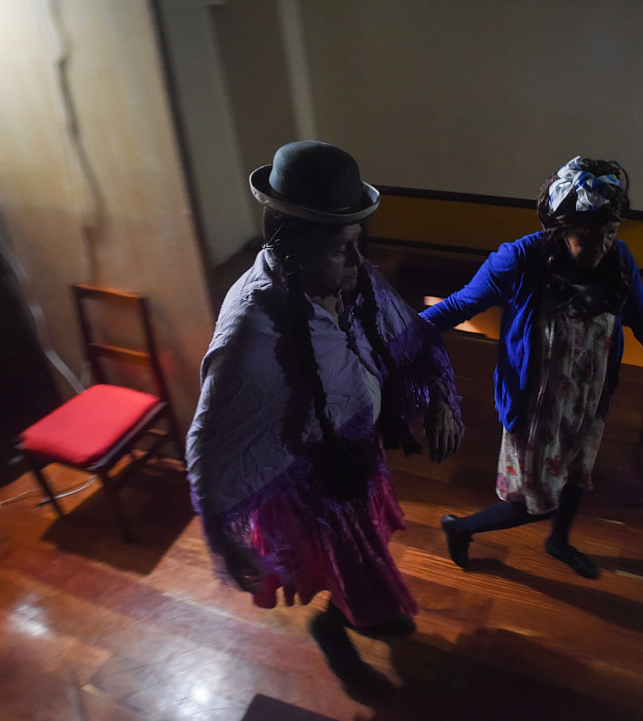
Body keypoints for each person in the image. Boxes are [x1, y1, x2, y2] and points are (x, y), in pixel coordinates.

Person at [187, 141, 462, 684]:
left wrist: (440, 398)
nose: (359, 263)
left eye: (358, 243)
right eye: (341, 249)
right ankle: (337, 627)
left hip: (356, 457)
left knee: (367, 549)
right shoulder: (251, 328)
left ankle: (355, 616)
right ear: (293, 248)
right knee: (355, 566)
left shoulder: (346, 278)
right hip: (314, 488)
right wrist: (225, 537)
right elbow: (210, 439)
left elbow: (407, 332)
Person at [423, 156, 643, 580]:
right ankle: (460, 527)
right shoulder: (521, 260)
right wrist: (397, 337)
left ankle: (559, 542)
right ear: (562, 227)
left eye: (610, 233)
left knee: (576, 475)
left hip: (587, 399)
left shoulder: (620, 262)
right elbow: (458, 306)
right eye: (588, 235)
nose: (601, 246)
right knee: (537, 500)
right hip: (538, 410)